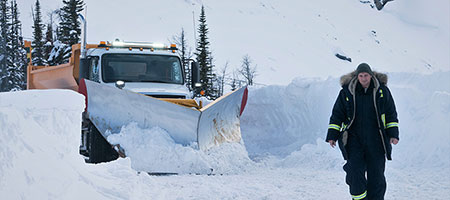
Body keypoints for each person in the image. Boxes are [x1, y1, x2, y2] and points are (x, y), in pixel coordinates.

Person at [326, 63, 399, 200]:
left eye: (366, 75)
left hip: (376, 140)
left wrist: (393, 134)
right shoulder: (347, 92)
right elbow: (337, 114)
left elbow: (391, 114)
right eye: (361, 76)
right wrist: (332, 136)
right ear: (357, 76)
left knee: (377, 176)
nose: (364, 78)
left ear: (371, 76)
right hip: (354, 139)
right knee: (354, 172)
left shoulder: (382, 92)